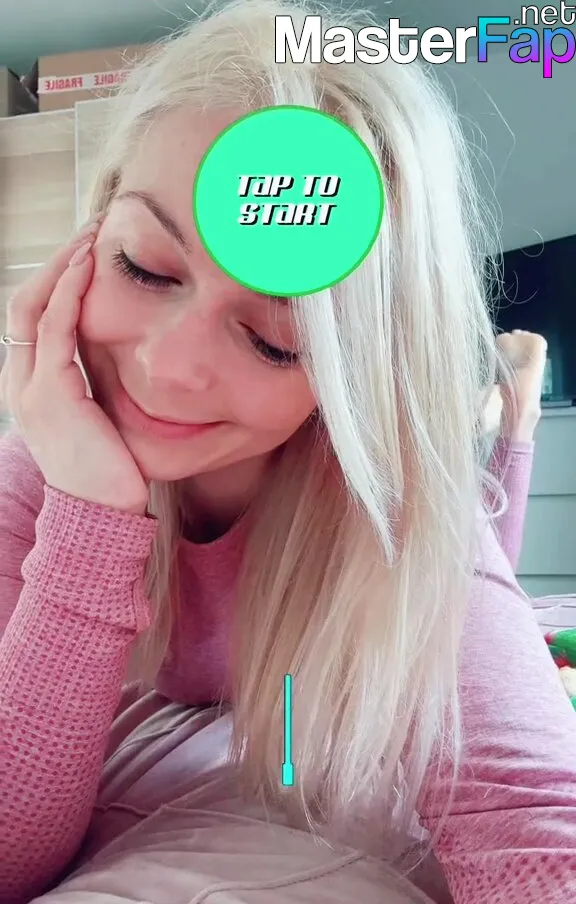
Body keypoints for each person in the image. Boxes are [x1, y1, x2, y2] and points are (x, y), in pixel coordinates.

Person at [0, 2, 575, 902]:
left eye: (276, 339)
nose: (169, 367)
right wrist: (88, 515)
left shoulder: (389, 513)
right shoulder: (43, 467)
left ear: (356, 370)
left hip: (366, 579)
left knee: (468, 540)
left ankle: (513, 413)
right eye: (144, 266)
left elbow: (535, 828)